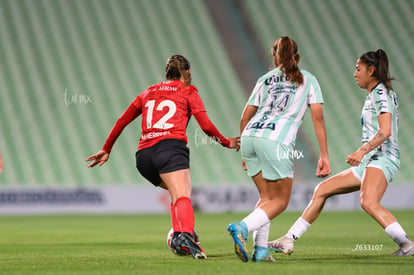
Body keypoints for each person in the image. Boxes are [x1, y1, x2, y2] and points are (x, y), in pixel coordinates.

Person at [86, 55, 240, 260]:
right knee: (183, 195)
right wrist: (225, 141)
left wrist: (107, 148)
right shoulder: (189, 91)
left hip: (143, 158)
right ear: (188, 72)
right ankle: (184, 236)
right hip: (170, 149)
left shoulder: (148, 92)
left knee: (176, 193)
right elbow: (205, 125)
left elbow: (122, 120)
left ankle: (179, 234)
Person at [268, 49, 414, 257]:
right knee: (322, 190)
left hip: (382, 159)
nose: (355, 73)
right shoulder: (375, 94)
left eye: (358, 69)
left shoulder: (381, 93)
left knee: (368, 201)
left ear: (371, 70)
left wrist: (361, 151)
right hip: (371, 161)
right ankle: (288, 239)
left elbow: (385, 130)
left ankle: (407, 244)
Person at [227, 36, 331, 263]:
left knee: (266, 197)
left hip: (251, 136)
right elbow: (318, 118)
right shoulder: (308, 80)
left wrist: (246, 148)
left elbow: (245, 116)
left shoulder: (265, 79)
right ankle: (242, 227)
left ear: (274, 57)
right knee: (280, 201)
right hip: (276, 142)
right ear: (298, 57)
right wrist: (323, 155)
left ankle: (261, 250)